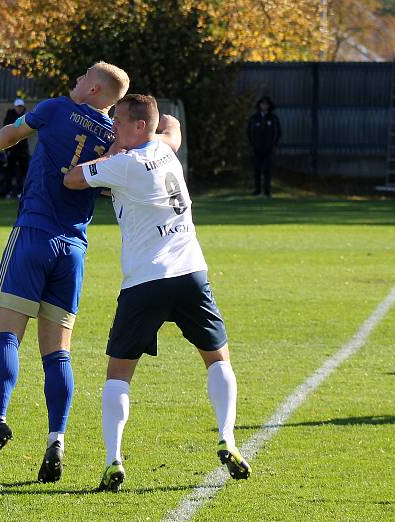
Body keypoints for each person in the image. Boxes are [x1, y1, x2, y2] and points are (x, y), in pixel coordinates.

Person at [63, 94, 251, 492]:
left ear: (138, 127)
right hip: (191, 274)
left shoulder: (123, 164)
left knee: (118, 373)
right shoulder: (165, 151)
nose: (112, 130)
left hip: (145, 281)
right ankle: (228, 439)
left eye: (118, 124)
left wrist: (112, 151)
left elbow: (72, 178)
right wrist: (161, 124)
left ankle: (114, 460)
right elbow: (174, 131)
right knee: (217, 359)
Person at [0, 62, 130, 483]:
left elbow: (12, 134)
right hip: (73, 249)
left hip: (33, 234)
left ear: (93, 87)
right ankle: (56, 439)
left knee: (7, 335)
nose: (75, 80)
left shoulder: (56, 108)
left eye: (81, 76)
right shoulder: (115, 139)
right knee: (58, 352)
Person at [247, 96, 281, 197]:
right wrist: (253, 145)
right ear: (259, 105)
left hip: (268, 149)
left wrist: (273, 145)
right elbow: (249, 132)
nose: (264, 106)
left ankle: (267, 191)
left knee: (267, 170)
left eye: (266, 104)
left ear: (269, 106)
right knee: (256, 170)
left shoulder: (273, 118)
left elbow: (278, 133)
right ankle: (257, 190)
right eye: (262, 104)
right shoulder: (254, 118)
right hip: (256, 149)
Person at [1, 98, 31, 198]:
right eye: (18, 107)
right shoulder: (10, 117)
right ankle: (11, 191)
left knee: (23, 171)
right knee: (13, 171)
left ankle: (20, 191)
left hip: (22, 151)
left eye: (21, 107)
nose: (20, 109)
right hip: (12, 150)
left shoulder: (25, 117)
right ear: (15, 107)